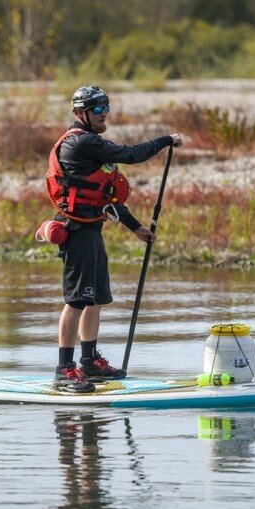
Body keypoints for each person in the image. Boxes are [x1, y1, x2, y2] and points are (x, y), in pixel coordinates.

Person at [42, 85, 182, 393]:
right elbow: (131, 154)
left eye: (107, 108)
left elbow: (106, 196)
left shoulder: (91, 144)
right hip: (75, 232)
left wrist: (135, 227)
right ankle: (64, 369)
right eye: (99, 110)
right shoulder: (81, 143)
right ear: (82, 114)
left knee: (96, 297)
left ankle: (89, 362)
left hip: (93, 230)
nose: (105, 114)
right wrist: (166, 141)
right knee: (77, 299)